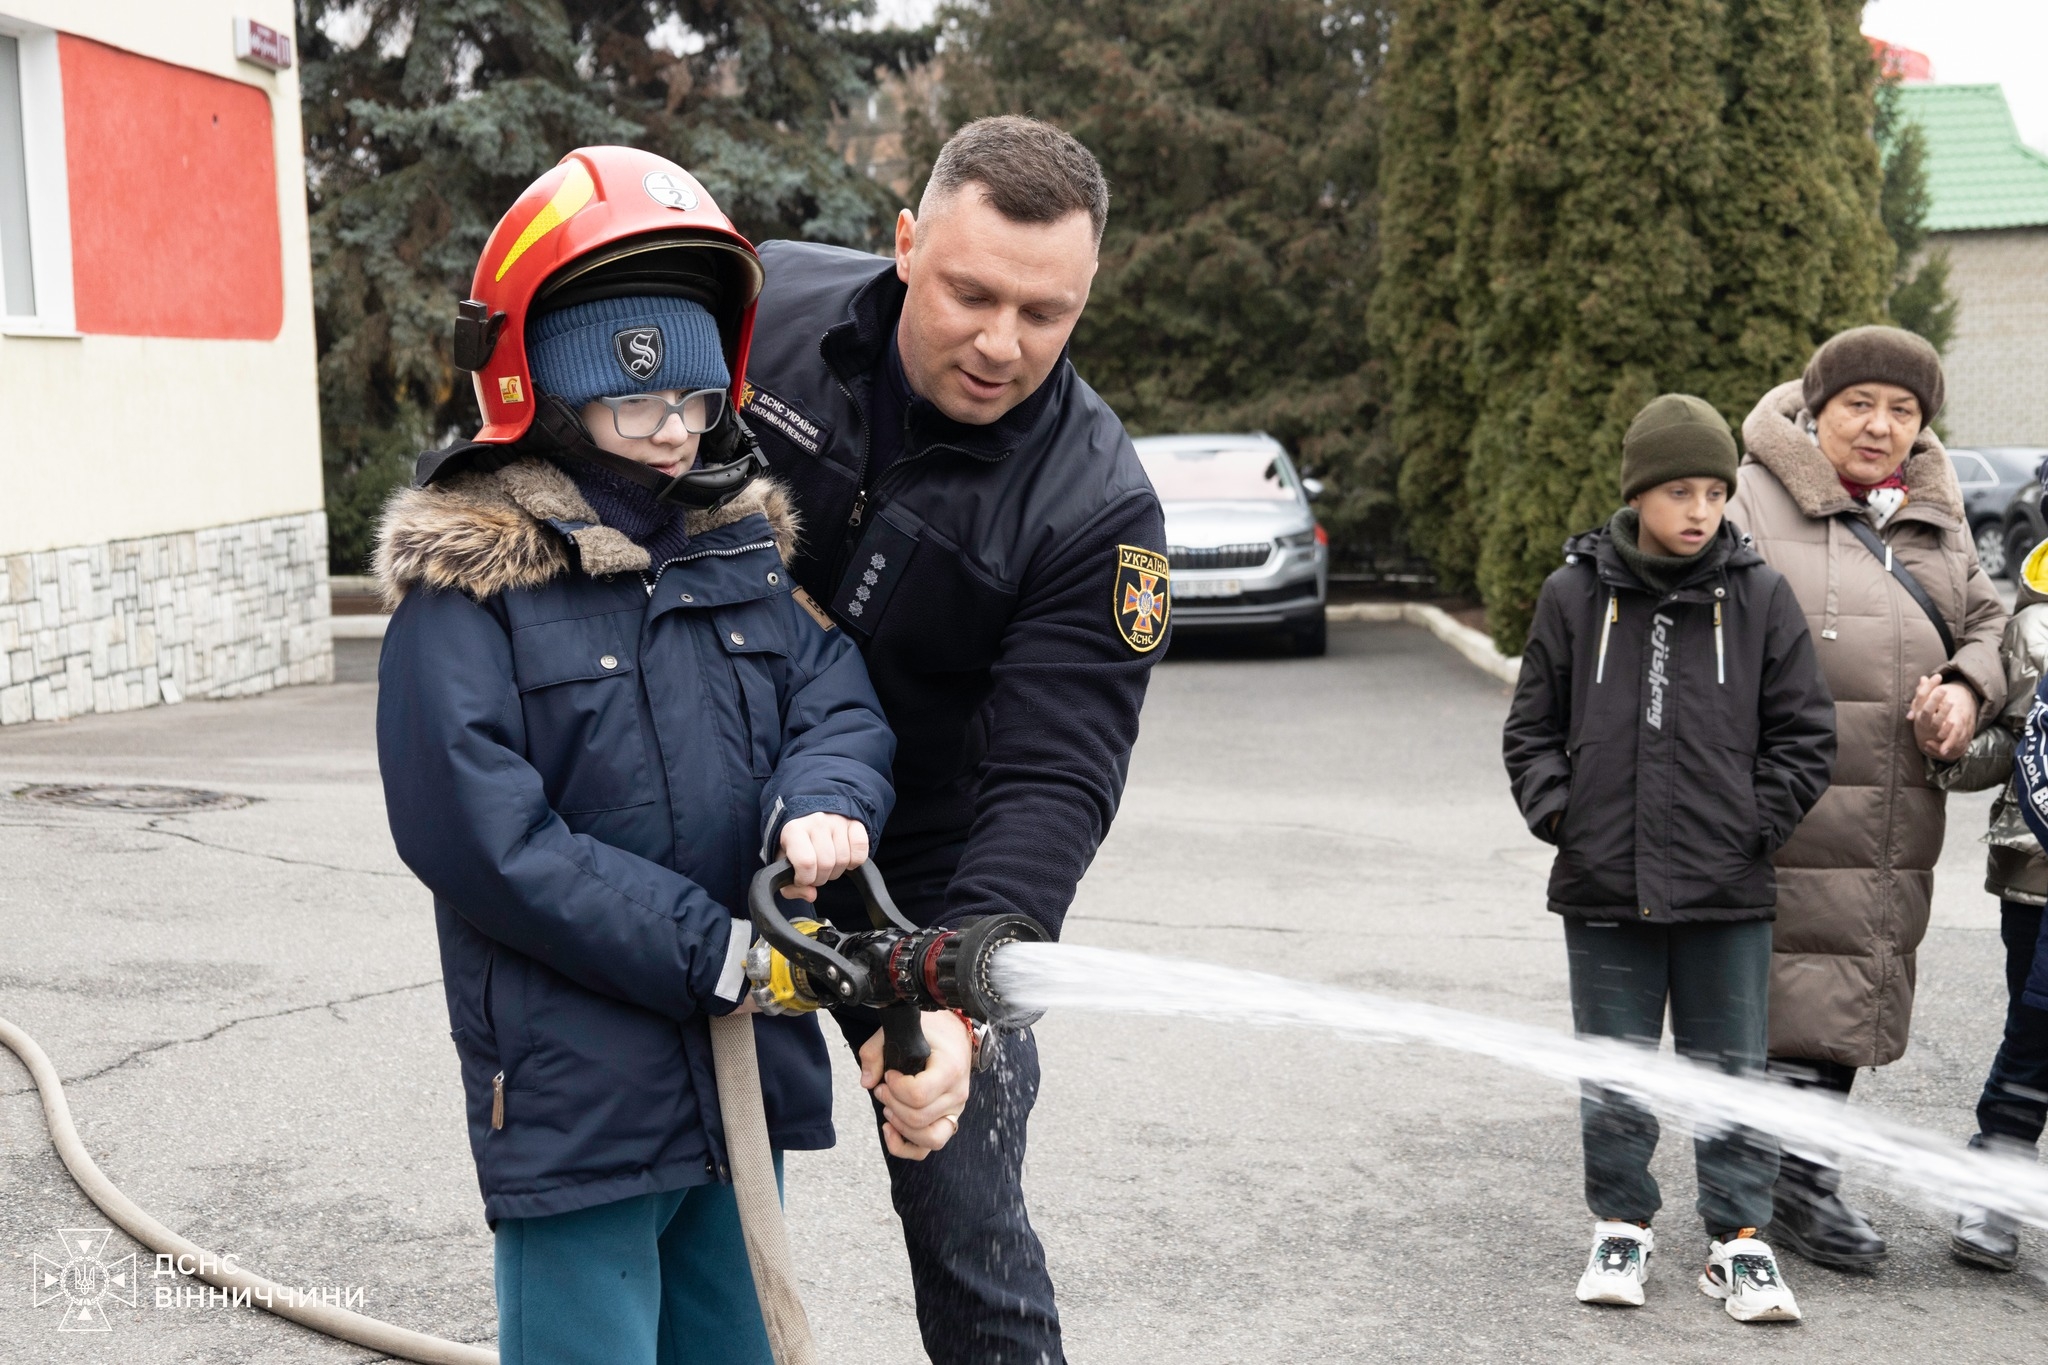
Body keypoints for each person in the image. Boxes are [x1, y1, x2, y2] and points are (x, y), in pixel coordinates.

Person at [374, 148, 909, 1365]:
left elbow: (836, 700)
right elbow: (480, 834)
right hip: (578, 1103)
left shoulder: (739, 556)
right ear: (550, 392)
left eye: (695, 402)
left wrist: (823, 801)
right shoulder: (471, 589)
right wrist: (705, 947)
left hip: (739, 1078)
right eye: (637, 403)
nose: (674, 435)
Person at [740, 116, 1168, 1363]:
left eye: (1046, 313)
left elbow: (1054, 778)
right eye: (971, 294)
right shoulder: (759, 313)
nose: (1000, 344)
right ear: (905, 244)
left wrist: (962, 1005)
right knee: (685, 1173)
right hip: (710, 799)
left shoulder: (1101, 509)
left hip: (920, 875)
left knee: (965, 1210)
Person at [1506, 394, 1835, 1322]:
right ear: (1637, 493)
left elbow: (1805, 736)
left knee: (1731, 1068)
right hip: (1604, 883)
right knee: (1615, 1067)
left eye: (1714, 491)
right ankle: (1622, 1223)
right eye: (1678, 490)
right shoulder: (1573, 595)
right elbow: (1531, 728)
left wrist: (1750, 825)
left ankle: (1739, 1241)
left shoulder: (1761, 596)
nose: (1699, 510)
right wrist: (1563, 815)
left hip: (1728, 889)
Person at [1729, 325, 2008, 1270]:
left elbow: (1989, 621)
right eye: (1860, 405)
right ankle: (1754, 1182)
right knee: (1767, 987)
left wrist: (1968, 689)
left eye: (1903, 410)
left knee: (1848, 986)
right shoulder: (1749, 498)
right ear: (1817, 408)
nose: (1880, 426)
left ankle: (1802, 1180)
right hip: (1776, 798)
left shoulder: (1934, 513)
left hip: (1889, 806)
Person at [1933, 528, 2048, 1273]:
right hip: (2033, 872)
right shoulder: (2031, 625)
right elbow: (2003, 744)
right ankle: (1996, 1186)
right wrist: (1943, 745)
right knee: (2033, 1030)